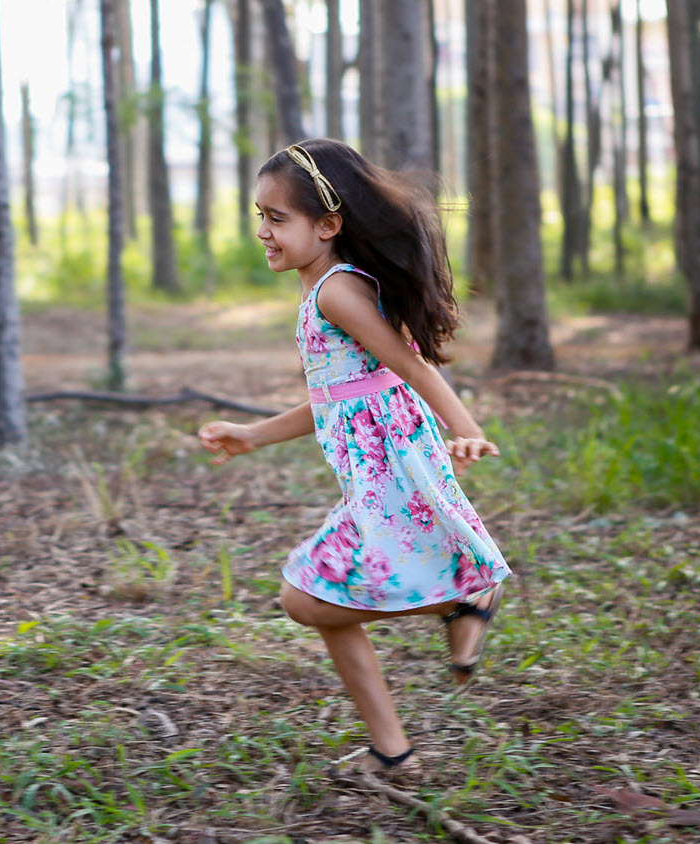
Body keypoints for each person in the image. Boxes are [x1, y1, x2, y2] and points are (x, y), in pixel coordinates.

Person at [198, 139, 511, 777]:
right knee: (314, 601)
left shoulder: (338, 293)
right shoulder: (323, 290)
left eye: (277, 218)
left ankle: (460, 602)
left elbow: (409, 364)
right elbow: (336, 398)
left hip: (390, 472)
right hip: (372, 474)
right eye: (259, 215)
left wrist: (467, 425)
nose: (263, 231)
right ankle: (392, 751)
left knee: (304, 597)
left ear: (328, 225)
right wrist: (252, 435)